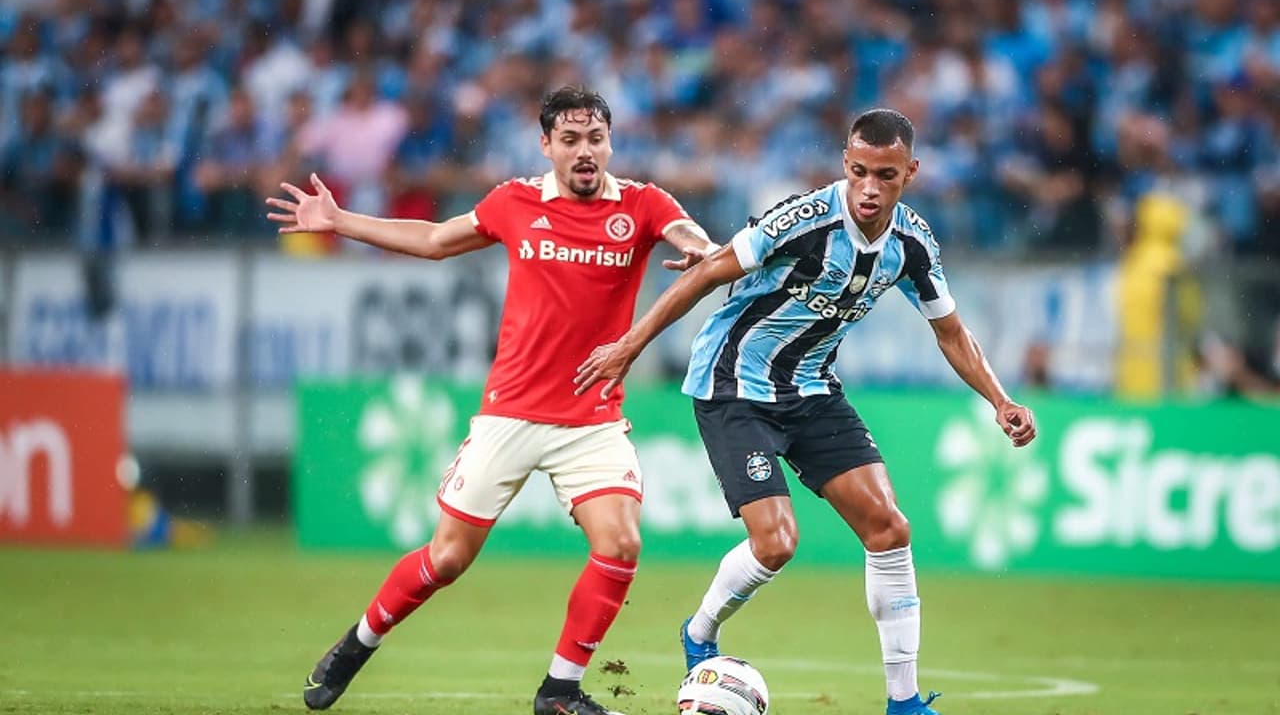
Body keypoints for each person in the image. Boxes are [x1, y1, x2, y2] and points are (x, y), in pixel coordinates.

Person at [267, 85, 717, 715]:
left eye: (596, 139)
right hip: (510, 412)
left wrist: (699, 249)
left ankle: (559, 692)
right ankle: (357, 643)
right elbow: (433, 240)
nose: (585, 152)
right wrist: (340, 221)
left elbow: (688, 233)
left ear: (610, 142)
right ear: (547, 146)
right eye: (570, 140)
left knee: (619, 543)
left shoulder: (641, 205)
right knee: (447, 558)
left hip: (591, 417)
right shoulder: (516, 201)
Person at [574, 109, 1037, 715]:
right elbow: (712, 272)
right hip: (732, 384)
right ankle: (700, 632)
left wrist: (1000, 400)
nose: (869, 188)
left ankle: (905, 702)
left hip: (812, 390)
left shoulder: (913, 243)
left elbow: (951, 332)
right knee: (776, 544)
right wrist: (630, 347)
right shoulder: (805, 219)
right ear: (846, 163)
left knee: (889, 528)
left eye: (886, 176)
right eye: (859, 171)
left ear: (911, 172)